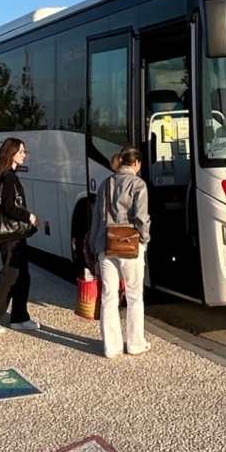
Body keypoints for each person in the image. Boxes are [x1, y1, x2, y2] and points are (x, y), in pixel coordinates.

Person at [88, 146, 151, 359]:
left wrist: (94, 246)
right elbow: (141, 218)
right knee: (134, 295)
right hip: (131, 244)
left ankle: (111, 347)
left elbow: (96, 217)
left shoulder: (105, 184)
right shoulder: (138, 184)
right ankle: (135, 343)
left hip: (106, 243)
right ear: (137, 163)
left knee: (108, 296)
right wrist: (145, 238)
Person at [0, 137, 40, 334]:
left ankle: (19, 317)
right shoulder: (9, 177)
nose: (24, 155)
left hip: (13, 234)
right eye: (20, 151)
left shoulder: (4, 174)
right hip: (11, 234)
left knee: (22, 274)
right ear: (11, 153)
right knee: (10, 274)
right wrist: (28, 216)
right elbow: (9, 206)